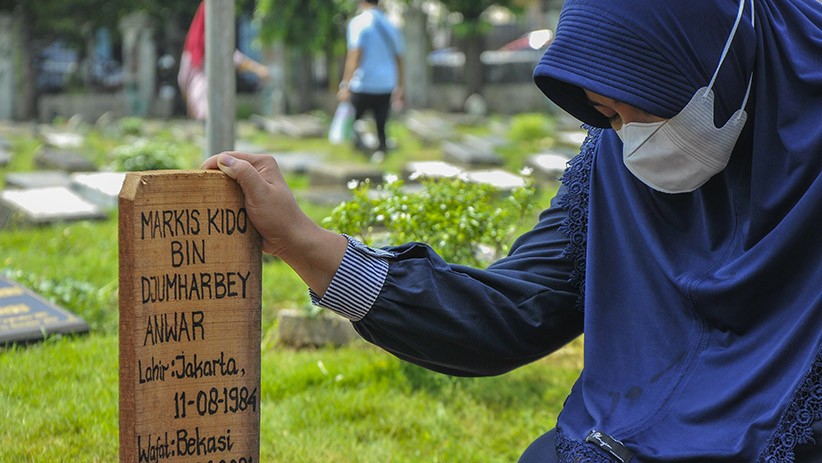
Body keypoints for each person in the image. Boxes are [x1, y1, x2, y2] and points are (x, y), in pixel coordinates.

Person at [202, 0, 822, 460]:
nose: (632, 137)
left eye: (641, 102)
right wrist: (306, 245)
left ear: (706, 55)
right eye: (604, 114)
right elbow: (513, 312)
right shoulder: (614, 162)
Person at [337, 0, 405, 163]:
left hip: (363, 83)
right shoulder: (391, 24)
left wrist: (345, 84)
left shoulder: (357, 23)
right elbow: (399, 58)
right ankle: (382, 152)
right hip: (386, 83)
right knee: (381, 123)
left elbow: (355, 54)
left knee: (355, 121)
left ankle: (360, 154)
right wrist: (401, 86)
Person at [178, 1, 270, 120]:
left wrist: (189, 102)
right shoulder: (208, 46)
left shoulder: (191, 50)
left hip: (201, 101)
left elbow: (183, 80)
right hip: (208, 101)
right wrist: (258, 69)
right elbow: (234, 58)